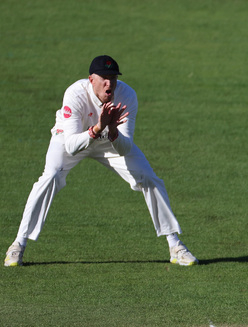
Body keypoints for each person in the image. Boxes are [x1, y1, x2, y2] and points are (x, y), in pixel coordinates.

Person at [4, 55, 197, 267]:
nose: (109, 83)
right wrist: (96, 129)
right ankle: (18, 245)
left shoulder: (127, 95)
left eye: (113, 78)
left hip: (109, 140)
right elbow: (70, 146)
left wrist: (112, 129)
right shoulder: (75, 94)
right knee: (50, 176)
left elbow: (125, 147)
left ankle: (175, 245)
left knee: (149, 177)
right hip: (74, 136)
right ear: (91, 80)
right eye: (104, 78)